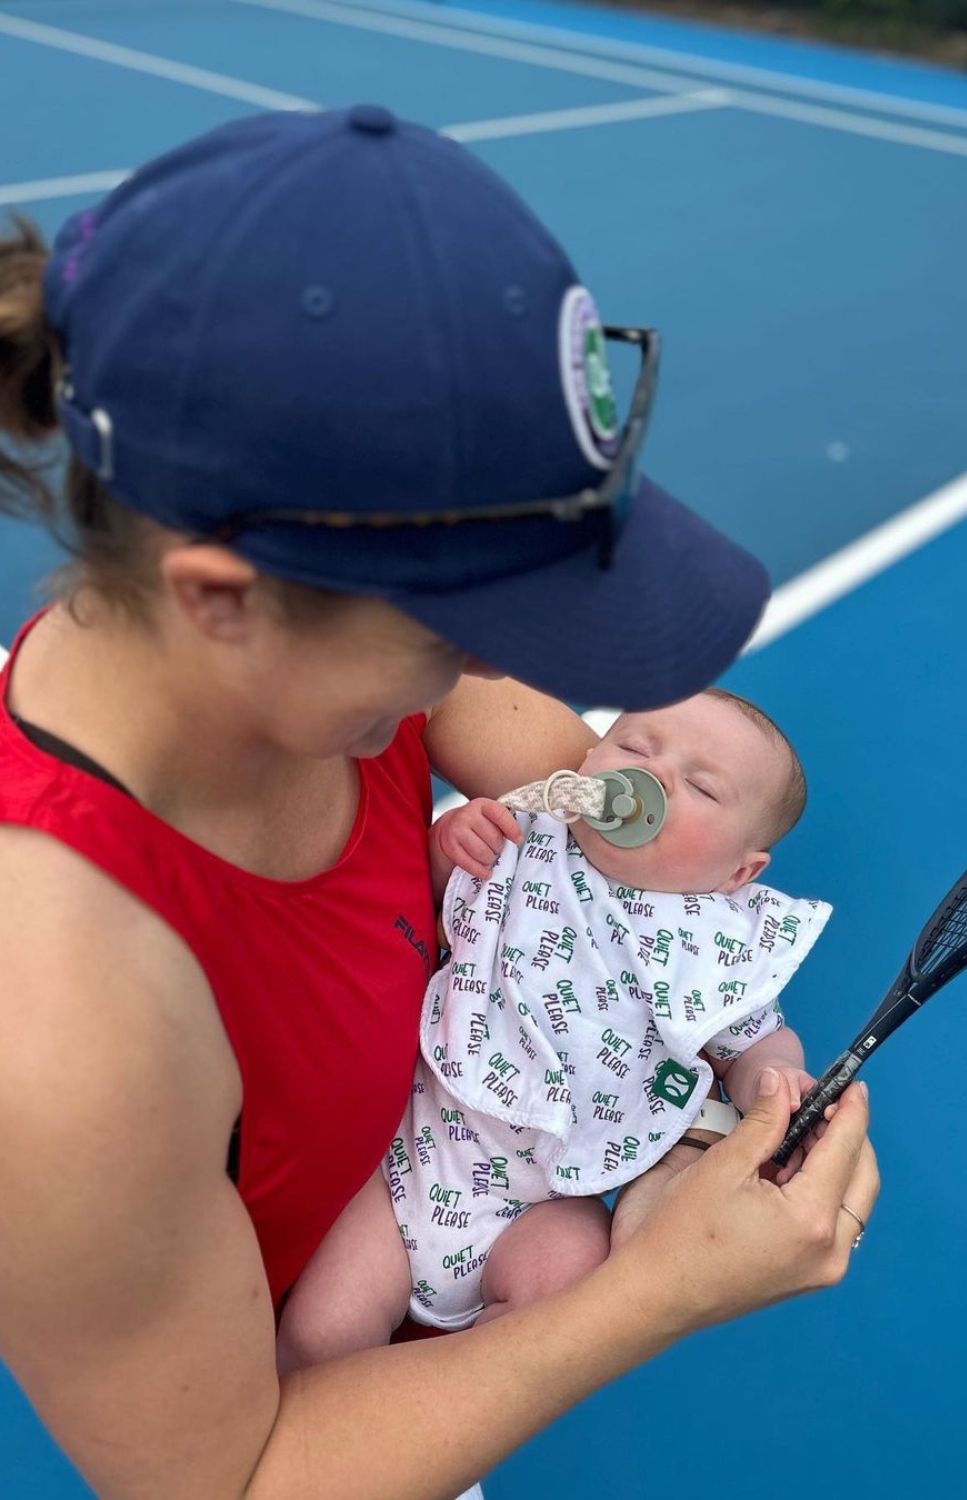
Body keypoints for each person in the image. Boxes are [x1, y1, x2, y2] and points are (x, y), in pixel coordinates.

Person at [0, 104, 877, 1500]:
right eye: (462, 628)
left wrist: (705, 1094)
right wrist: (652, 1293)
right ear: (223, 602)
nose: (502, 675)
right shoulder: (55, 1021)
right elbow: (228, 1480)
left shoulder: (334, 669)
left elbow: (621, 845)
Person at [276, 687, 831, 1362]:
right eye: (634, 746)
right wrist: (450, 846)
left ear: (740, 871)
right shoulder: (525, 836)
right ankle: (341, 1424)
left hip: (548, 1197)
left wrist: (773, 1081)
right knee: (322, 1332)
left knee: (564, 1285)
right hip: (411, 1150)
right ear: (589, 758)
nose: (654, 775)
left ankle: (451, 1420)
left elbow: (756, 1038)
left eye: (701, 787)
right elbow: (427, 899)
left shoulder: (716, 948)